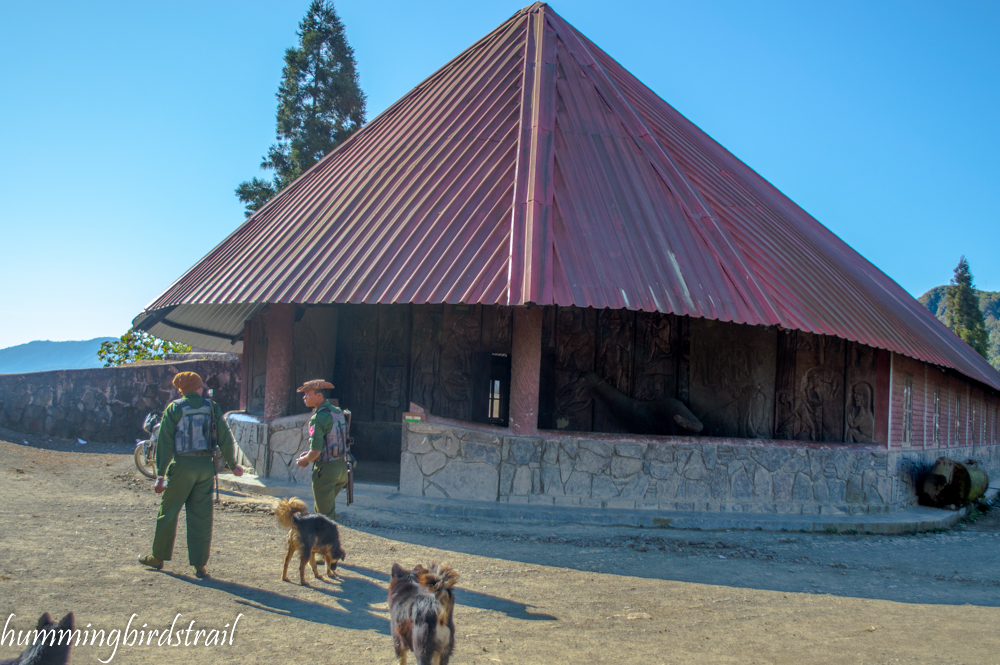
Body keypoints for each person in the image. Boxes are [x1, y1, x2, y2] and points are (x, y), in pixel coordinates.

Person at [138, 371, 243, 577]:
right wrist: (233, 465)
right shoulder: (212, 407)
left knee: (168, 512)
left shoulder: (174, 408)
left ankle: (158, 556)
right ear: (197, 387)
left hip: (182, 466)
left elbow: (165, 444)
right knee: (202, 516)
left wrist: (161, 475)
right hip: (205, 467)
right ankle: (199, 564)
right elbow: (224, 437)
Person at [295, 379, 349, 522]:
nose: (304, 397)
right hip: (341, 469)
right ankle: (319, 543)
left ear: (319, 396)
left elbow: (315, 452)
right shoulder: (337, 412)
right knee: (321, 512)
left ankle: (331, 544)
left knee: (326, 518)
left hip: (326, 471)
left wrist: (304, 460)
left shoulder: (318, 418)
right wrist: (308, 455)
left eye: (308, 394)